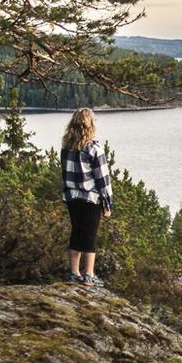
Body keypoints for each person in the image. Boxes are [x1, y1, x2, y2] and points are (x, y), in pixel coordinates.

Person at [60, 108, 113, 288]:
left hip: (72, 197)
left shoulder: (66, 147)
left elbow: (65, 174)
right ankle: (89, 275)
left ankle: (74, 273)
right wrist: (107, 203)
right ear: (90, 124)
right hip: (90, 198)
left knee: (76, 233)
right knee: (90, 236)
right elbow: (102, 179)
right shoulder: (94, 148)